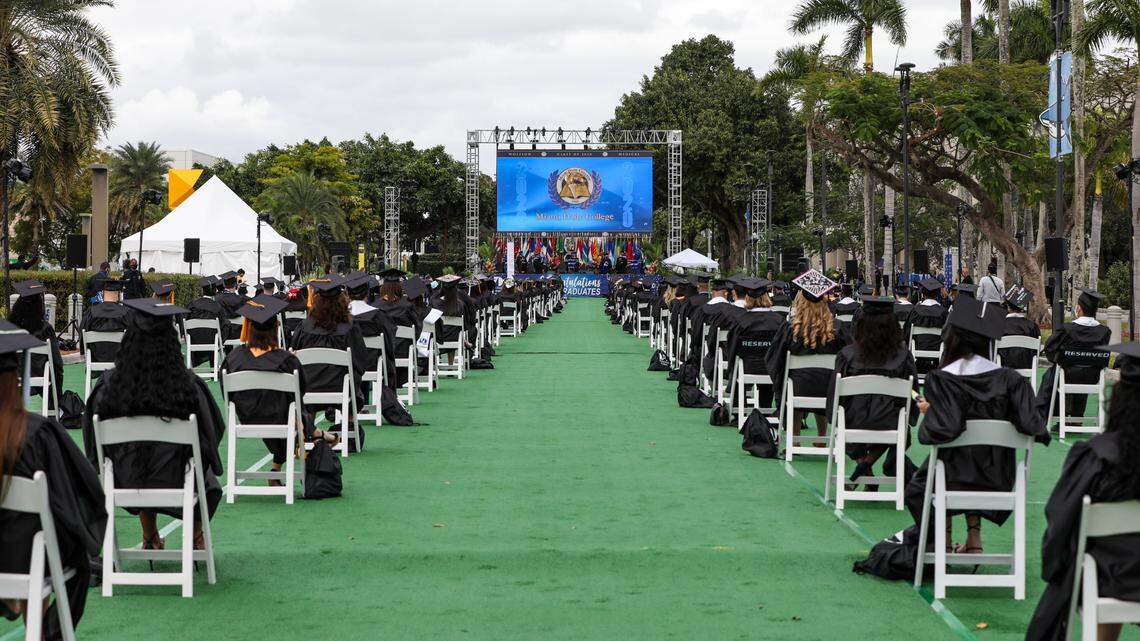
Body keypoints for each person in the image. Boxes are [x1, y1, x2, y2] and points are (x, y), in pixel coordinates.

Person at [82, 298, 226, 552]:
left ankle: (150, 536)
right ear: (171, 343)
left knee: (140, 458)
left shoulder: (108, 387)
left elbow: (93, 443)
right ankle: (195, 536)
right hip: (180, 480)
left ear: (128, 342)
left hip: (125, 481)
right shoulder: (189, 386)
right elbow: (212, 433)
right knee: (209, 483)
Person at [1026, 342, 1140, 641]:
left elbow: (1060, 524)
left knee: (1100, 554)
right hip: (1118, 573)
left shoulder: (1096, 456)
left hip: (1110, 578)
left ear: (1119, 399)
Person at [0, 325, 105, 641]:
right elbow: (77, 494)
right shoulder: (37, 433)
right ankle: (44, 631)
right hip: (24, 559)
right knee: (59, 543)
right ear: (15, 380)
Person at [222, 295, 338, 483]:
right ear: (276, 328)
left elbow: (226, 394)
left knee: (281, 410)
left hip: (247, 420)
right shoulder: (287, 360)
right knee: (291, 412)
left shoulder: (233, 359)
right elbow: (301, 391)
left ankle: (279, 466)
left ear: (249, 328)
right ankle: (315, 434)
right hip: (283, 420)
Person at [825, 295, 919, 489]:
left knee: (846, 416)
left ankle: (864, 465)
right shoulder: (903, 356)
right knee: (897, 420)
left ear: (861, 325)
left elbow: (835, 397)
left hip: (853, 421)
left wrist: (832, 415)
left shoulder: (847, 355)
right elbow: (912, 392)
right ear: (894, 326)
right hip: (890, 422)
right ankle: (869, 462)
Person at [766, 269, 850, 443]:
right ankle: (821, 437)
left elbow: (775, 359)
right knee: (824, 377)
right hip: (830, 389)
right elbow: (851, 355)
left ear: (801, 301)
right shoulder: (838, 328)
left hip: (797, 389)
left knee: (794, 381)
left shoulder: (791, 329)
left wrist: (780, 380)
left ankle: (794, 437)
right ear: (825, 303)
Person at [289, 277, 368, 429]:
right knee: (353, 382)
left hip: (308, 387)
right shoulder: (350, 327)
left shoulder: (304, 327)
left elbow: (294, 355)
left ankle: (308, 430)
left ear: (316, 302)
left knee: (307, 376)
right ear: (342, 301)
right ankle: (349, 427)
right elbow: (360, 361)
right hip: (341, 387)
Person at [1037, 289, 1112, 420]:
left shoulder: (1067, 329)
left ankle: (1051, 416)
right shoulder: (1104, 332)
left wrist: (1058, 359)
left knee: (1055, 372)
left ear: (1079, 309)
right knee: (1085, 367)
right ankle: (1078, 417)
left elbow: (1050, 348)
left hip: (1067, 375)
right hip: (1092, 377)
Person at [9, 280, 64, 403]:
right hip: (40, 378)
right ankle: (53, 406)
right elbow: (57, 363)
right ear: (39, 305)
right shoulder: (45, 329)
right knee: (55, 371)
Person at [345, 274, 397, 391]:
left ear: (347, 294)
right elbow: (389, 342)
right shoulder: (379, 316)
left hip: (347, 365)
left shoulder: (340, 316)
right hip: (373, 364)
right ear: (367, 293)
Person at [79, 278, 131, 368]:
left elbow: (82, 332)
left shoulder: (91, 311)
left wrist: (84, 351)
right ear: (119, 294)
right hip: (121, 359)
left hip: (95, 358)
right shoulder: (126, 312)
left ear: (102, 293)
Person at [905, 277, 948, 376]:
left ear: (923, 294)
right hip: (938, 349)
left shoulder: (915, 311)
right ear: (937, 294)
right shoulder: (943, 312)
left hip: (918, 348)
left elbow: (907, 333)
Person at [997, 285, 1040, 370]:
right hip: (1026, 366)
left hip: (1003, 367)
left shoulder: (998, 325)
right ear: (1022, 307)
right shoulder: (1032, 326)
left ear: (1008, 307)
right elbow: (1035, 351)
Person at [186, 276, 224, 368]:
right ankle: (213, 367)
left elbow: (186, 320)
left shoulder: (192, 304)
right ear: (215, 291)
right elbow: (223, 324)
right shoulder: (217, 306)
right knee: (217, 333)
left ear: (202, 291)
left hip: (194, 341)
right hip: (212, 341)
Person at [215, 271, 247, 351]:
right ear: (235, 285)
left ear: (224, 284)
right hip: (238, 333)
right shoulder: (240, 299)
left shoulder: (217, 299)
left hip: (222, 333)